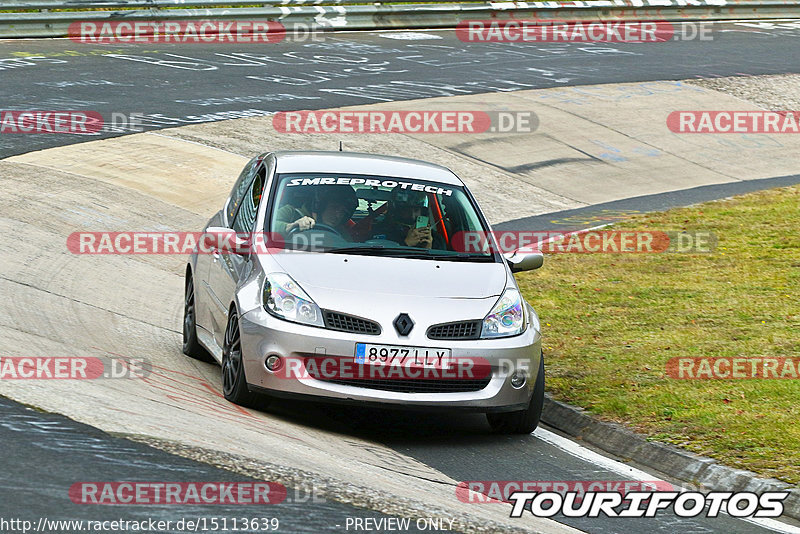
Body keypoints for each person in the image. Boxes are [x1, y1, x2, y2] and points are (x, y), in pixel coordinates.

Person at [370, 189, 439, 249]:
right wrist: (406, 244)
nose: (412, 215)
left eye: (416, 210)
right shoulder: (380, 231)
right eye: (407, 210)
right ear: (396, 211)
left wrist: (428, 247)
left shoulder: (432, 237)